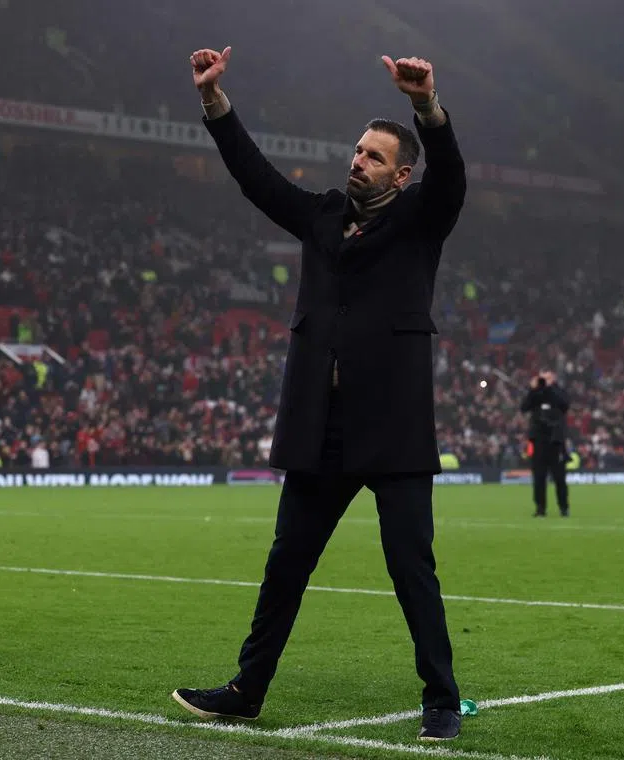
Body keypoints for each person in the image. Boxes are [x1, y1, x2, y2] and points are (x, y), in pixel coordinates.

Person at [171, 47, 467, 742]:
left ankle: (442, 700)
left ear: (401, 173)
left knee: (411, 569)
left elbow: (451, 175)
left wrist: (426, 107)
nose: (357, 161)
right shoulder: (322, 216)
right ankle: (247, 690)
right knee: (286, 565)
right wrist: (214, 100)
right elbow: (256, 177)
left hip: (392, 427)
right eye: (357, 151)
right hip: (320, 425)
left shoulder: (422, 218)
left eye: (374, 156)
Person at [520, 371, 570, 517]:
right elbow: (524, 407)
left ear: (553, 379)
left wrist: (549, 388)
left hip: (555, 441)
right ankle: (540, 508)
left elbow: (564, 404)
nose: (544, 380)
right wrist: (533, 389)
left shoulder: (559, 392)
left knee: (559, 478)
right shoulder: (536, 395)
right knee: (539, 478)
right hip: (539, 441)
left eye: (547, 378)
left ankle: (563, 507)